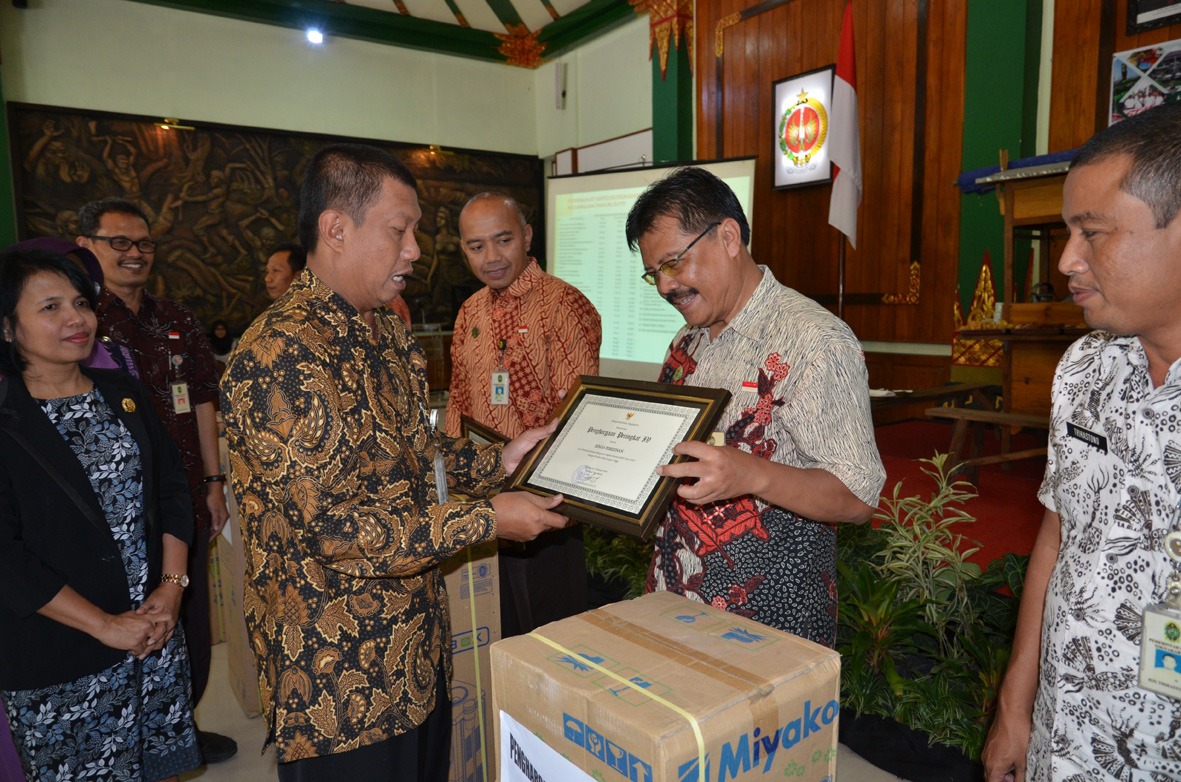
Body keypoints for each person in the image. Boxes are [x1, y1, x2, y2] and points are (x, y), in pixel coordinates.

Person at [220, 143, 569, 780]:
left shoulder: (381, 331)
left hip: (417, 654)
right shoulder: (280, 356)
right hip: (340, 682)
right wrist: (488, 520)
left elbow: (418, 461)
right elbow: (337, 532)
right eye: (399, 230)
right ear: (336, 229)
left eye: (416, 231)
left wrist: (502, 460)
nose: (415, 249)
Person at [982, 104, 1181, 781]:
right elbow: (1057, 537)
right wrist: (1015, 705)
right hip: (1065, 735)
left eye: (1091, 233)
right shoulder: (1086, 367)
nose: (1067, 259)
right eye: (1067, 231)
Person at [625, 167, 885, 645]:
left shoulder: (814, 341)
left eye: (674, 263)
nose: (665, 287)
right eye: (654, 273)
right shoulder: (687, 341)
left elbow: (858, 497)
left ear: (728, 236)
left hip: (766, 620)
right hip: (674, 595)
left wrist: (752, 475)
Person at [0, 248, 200, 781]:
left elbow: (172, 493)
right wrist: (106, 626)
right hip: (62, 657)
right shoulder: (8, 420)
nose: (76, 318)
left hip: (153, 636)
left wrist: (172, 587)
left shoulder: (122, 394)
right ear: (7, 327)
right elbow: (6, 558)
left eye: (81, 303)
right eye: (49, 307)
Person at [75, 197, 236, 764]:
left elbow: (204, 400)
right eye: (118, 242)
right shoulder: (80, 320)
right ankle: (125, 739)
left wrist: (214, 483)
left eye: (143, 243)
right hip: (110, 507)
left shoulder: (177, 319)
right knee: (119, 615)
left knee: (188, 612)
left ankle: (179, 727)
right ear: (86, 246)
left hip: (185, 495)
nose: (134, 253)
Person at [444, 192, 602, 636]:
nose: (491, 257)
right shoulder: (469, 311)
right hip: (483, 501)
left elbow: (578, 417)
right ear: (464, 249)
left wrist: (557, 505)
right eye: (477, 246)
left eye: (503, 240)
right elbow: (457, 399)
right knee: (497, 632)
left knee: (551, 638)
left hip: (545, 506)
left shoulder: (563, 305)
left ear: (527, 236)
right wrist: (453, 489)